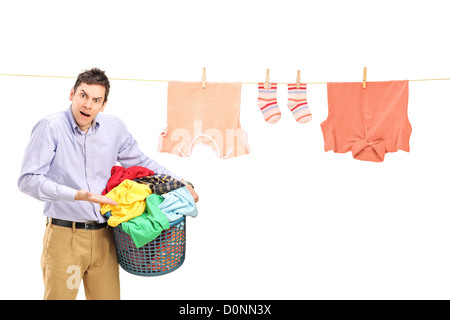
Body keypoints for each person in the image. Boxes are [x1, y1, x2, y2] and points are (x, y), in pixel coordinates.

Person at [18, 68, 198, 300]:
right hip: (66, 238)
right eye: (83, 95)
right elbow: (28, 180)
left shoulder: (114, 128)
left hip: (106, 237)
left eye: (96, 100)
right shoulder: (50, 126)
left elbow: (140, 162)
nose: (88, 105)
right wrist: (77, 195)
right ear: (71, 93)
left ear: (103, 105)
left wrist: (180, 182)